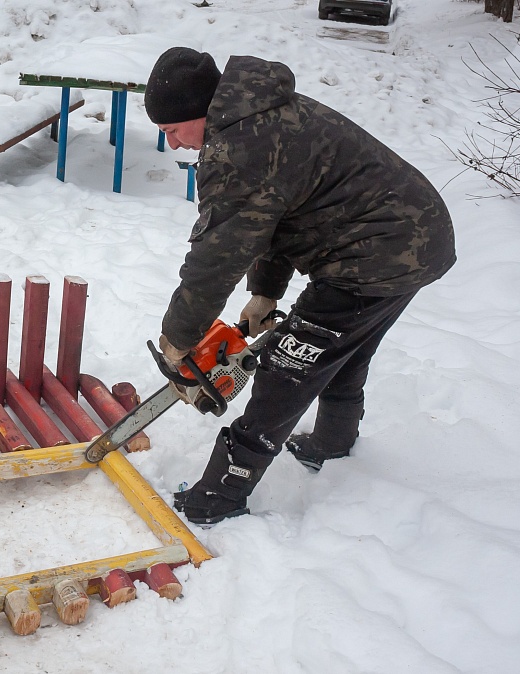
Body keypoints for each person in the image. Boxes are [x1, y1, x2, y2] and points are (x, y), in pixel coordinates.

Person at [144, 47, 456, 525]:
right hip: (413, 236)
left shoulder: (239, 149)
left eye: (172, 131)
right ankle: (331, 444)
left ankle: (220, 495)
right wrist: (265, 293)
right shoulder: (257, 112)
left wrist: (180, 336)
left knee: (290, 366)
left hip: (377, 253)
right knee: (344, 348)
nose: (173, 144)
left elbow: (218, 254)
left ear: (199, 112)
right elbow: (272, 216)